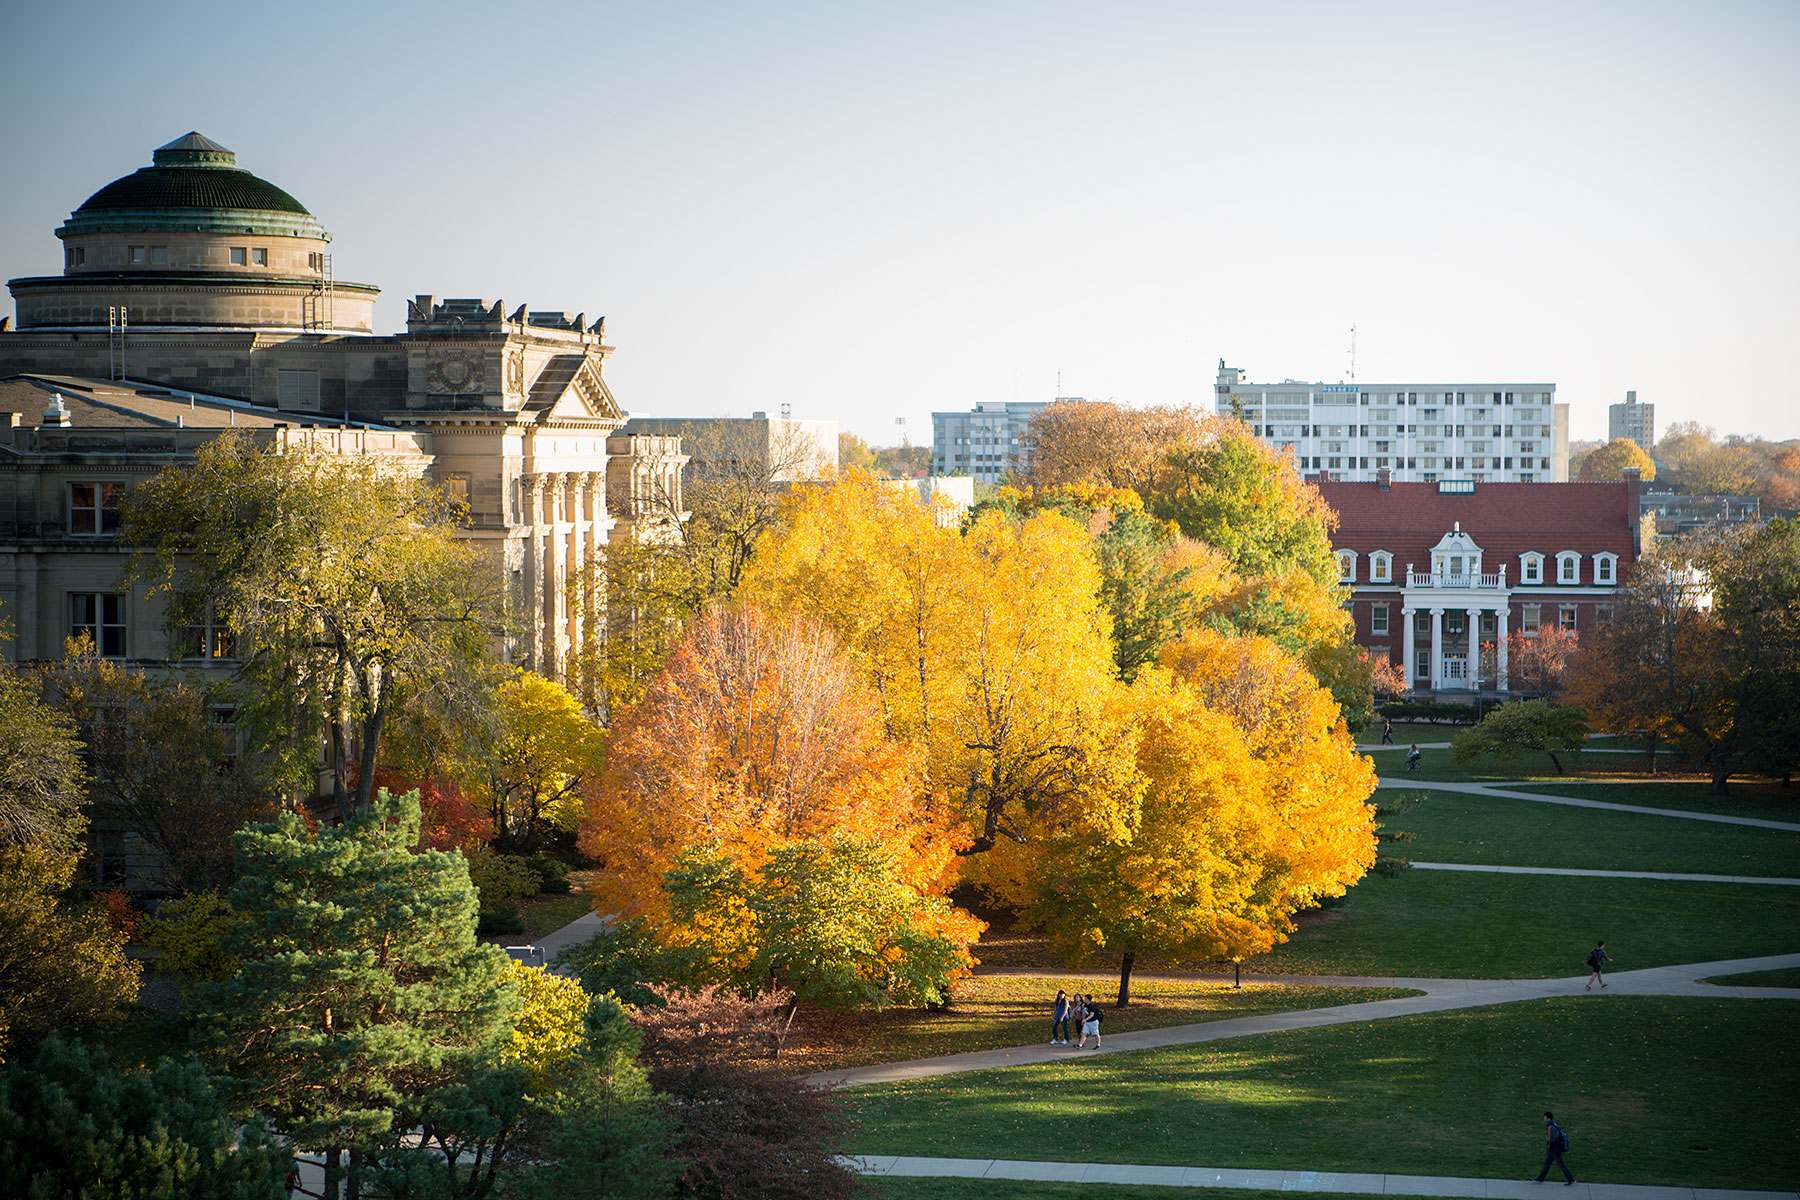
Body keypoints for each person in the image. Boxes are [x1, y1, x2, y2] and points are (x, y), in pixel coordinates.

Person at [1535, 1110, 1575, 1184]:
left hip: (1554, 1149)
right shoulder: (1553, 1124)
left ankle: (1571, 1180)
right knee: (1546, 1163)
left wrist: (1549, 1147)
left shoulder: (1551, 1126)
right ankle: (1540, 1179)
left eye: (1545, 1117)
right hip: (1553, 1148)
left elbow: (1552, 1139)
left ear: (1548, 1118)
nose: (1544, 1119)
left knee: (1561, 1164)